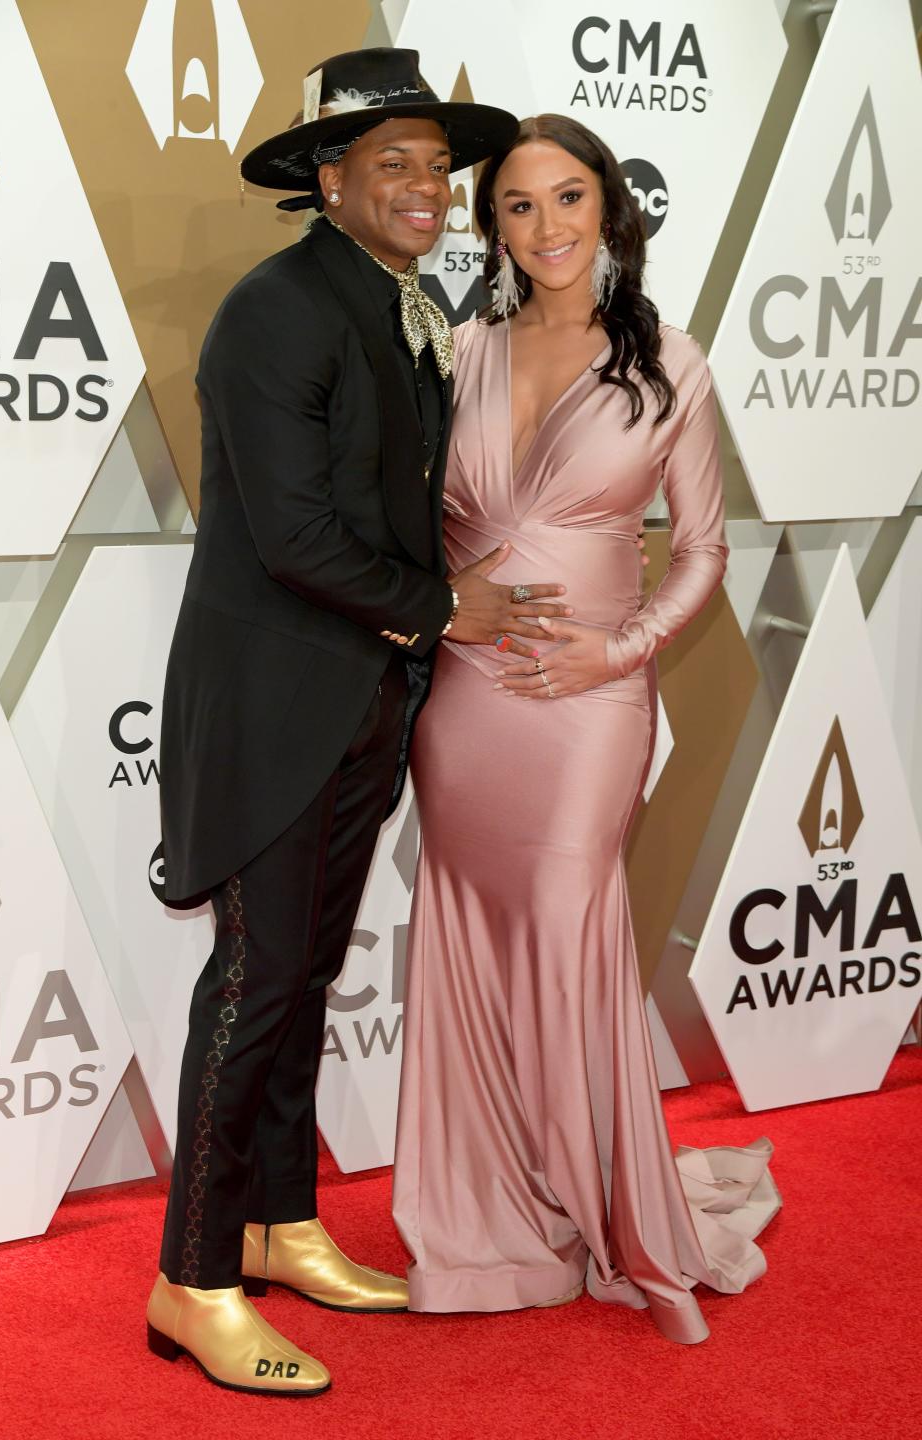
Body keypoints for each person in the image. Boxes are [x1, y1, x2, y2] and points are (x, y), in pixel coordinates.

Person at [146, 50, 570, 1396]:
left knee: (304, 976)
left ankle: (276, 1225)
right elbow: (294, 540)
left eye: (440, 168)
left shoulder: (396, 304)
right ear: (328, 178)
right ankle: (192, 1279)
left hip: (363, 696)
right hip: (278, 702)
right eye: (395, 163)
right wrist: (454, 607)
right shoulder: (277, 313)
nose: (430, 190)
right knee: (256, 981)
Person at [393, 115, 781, 1346]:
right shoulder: (459, 352)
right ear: (491, 226)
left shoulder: (671, 361)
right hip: (465, 704)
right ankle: (496, 1217)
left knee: (569, 925)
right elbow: (412, 529)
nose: (547, 226)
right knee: (470, 938)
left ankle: (608, 1204)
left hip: (593, 704)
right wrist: (439, 617)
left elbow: (708, 549)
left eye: (569, 198)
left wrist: (616, 652)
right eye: (517, 205)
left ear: (610, 209)